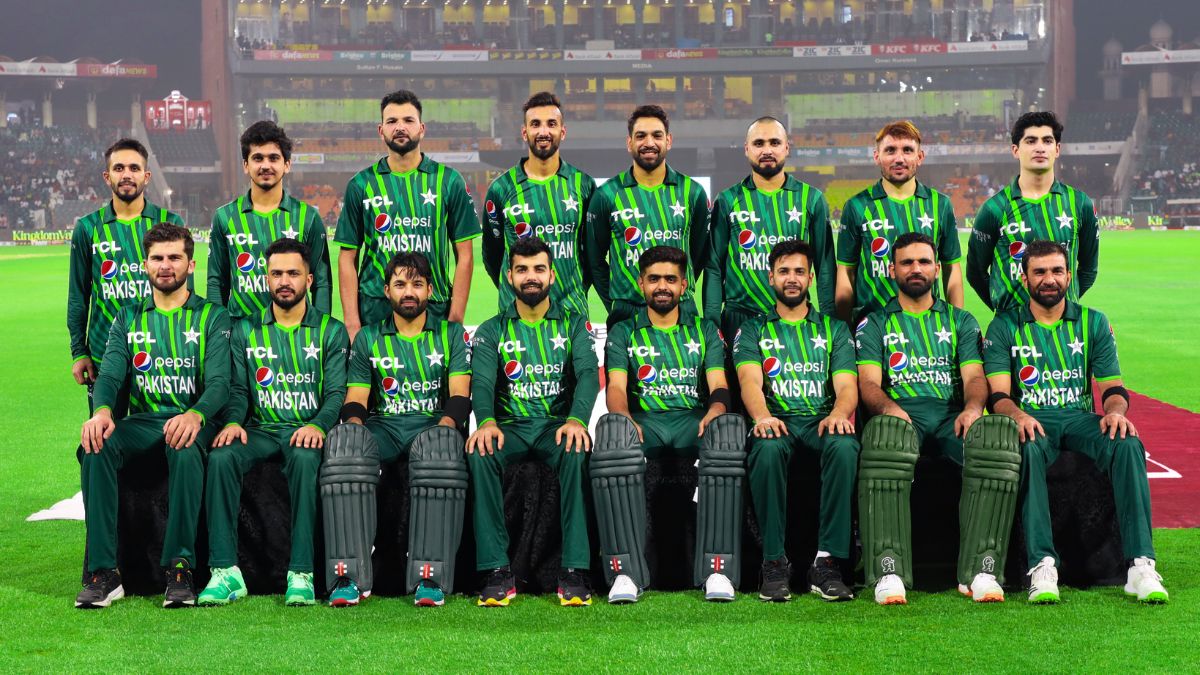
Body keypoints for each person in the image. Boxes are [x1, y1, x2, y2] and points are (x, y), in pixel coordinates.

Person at [983, 240, 1167, 604]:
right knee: (1028, 448)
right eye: (1039, 272)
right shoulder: (1004, 325)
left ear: (1069, 276)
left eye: (1056, 271)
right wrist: (1018, 415)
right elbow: (998, 396)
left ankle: (1140, 565)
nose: (1049, 279)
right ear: (1024, 279)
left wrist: (1115, 413)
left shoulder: (1093, 322)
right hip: (1033, 419)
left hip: (1080, 419)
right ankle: (1041, 566)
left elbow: (1113, 388)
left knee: (1127, 443)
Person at [855, 232, 1020, 606]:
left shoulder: (960, 320)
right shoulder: (874, 323)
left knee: (994, 440)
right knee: (885, 437)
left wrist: (973, 408)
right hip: (902, 414)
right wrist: (888, 409)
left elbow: (975, 378)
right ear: (892, 269)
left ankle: (982, 570)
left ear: (937, 269)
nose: (916, 269)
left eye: (924, 262)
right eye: (907, 262)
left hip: (950, 416)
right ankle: (888, 569)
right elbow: (868, 383)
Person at [75, 224, 231, 609]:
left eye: (174, 257)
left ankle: (180, 568)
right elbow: (111, 374)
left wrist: (195, 415)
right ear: (145, 264)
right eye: (157, 258)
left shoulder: (212, 316)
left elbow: (219, 383)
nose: (165, 265)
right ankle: (103, 573)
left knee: (184, 445)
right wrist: (103, 412)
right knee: (96, 444)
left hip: (194, 420)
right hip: (144, 422)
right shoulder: (127, 317)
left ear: (191, 264)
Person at [198, 238, 349, 607]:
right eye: (277, 273)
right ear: (266, 278)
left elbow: (336, 394)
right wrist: (233, 421)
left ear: (309, 280)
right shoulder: (245, 330)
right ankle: (225, 572)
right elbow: (238, 390)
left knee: (304, 458)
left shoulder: (331, 330)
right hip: (262, 431)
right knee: (221, 456)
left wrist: (318, 425)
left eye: (293, 273)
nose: (284, 281)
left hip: (306, 429)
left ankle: (302, 573)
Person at [320, 251, 472, 607]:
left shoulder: (451, 334)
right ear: (386, 290)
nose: (409, 292)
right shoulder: (368, 337)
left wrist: (443, 430)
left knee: (439, 448)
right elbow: (356, 401)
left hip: (431, 425)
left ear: (430, 290)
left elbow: (459, 398)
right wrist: (354, 432)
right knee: (345, 444)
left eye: (417, 284)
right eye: (400, 284)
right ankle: (348, 576)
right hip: (384, 428)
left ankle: (430, 578)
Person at [593, 246, 743, 604]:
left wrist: (716, 409)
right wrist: (624, 418)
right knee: (613, 434)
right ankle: (625, 573)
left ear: (684, 285)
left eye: (671, 279)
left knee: (728, 432)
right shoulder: (623, 332)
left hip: (692, 420)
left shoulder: (704, 330)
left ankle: (717, 570)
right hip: (647, 422)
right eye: (654, 279)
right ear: (641, 283)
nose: (662, 286)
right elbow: (616, 388)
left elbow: (719, 385)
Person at [467, 236, 599, 606]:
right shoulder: (492, 329)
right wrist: (486, 422)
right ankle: (495, 570)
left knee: (576, 451)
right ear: (509, 276)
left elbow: (588, 375)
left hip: (554, 426)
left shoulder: (575, 324)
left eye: (539, 269)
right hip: (509, 428)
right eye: (522, 269)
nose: (531, 277)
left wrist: (577, 420)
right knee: (480, 454)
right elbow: (482, 381)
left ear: (552, 275)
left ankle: (574, 570)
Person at [734, 239, 859, 603]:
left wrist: (838, 414)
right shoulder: (753, 329)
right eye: (784, 271)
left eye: (800, 272)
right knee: (767, 448)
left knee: (845, 446)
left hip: (820, 420)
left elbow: (846, 385)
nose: (792, 279)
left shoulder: (834, 329)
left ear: (810, 278)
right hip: (778, 420)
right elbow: (749, 381)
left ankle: (827, 563)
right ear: (770, 277)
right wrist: (762, 416)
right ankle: (774, 562)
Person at [335, 89, 479, 339]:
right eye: (392, 121)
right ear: (381, 130)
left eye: (408, 120)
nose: (400, 127)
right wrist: (351, 323)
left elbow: (465, 255)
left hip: (434, 308)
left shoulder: (449, 181)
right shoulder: (361, 184)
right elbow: (347, 257)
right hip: (375, 311)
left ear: (421, 128)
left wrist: (456, 318)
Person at [68, 138, 185, 414]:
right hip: (104, 356)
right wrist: (79, 351)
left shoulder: (170, 223)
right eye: (119, 168)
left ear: (146, 176)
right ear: (107, 176)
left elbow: (183, 295)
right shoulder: (88, 228)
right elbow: (78, 296)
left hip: (161, 355)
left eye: (134, 168)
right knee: (107, 434)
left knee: (159, 436)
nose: (127, 174)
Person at [705, 116, 836, 342]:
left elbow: (825, 267)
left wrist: (829, 323)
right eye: (759, 143)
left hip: (794, 319)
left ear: (787, 148)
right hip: (738, 320)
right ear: (747, 149)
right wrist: (712, 328)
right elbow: (714, 267)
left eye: (775, 143)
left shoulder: (811, 199)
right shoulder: (727, 200)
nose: (767, 150)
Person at [586, 104, 709, 328]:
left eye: (657, 135)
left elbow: (698, 255)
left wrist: (678, 289)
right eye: (641, 136)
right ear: (629, 143)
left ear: (668, 141)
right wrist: (616, 301)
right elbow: (594, 260)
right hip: (627, 313)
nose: (649, 143)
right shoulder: (606, 195)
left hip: (681, 310)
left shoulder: (693, 192)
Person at [967, 111, 1099, 312]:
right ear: (1015, 150)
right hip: (1012, 327)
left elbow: (1088, 270)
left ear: (1057, 149)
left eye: (1047, 141)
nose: (1040, 147)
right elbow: (975, 273)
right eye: (1030, 141)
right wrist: (1004, 311)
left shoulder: (1080, 204)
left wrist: (1056, 306)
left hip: (1064, 327)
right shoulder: (994, 208)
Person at [835, 120, 963, 324]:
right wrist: (844, 330)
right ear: (877, 156)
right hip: (871, 328)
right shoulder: (856, 206)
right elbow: (846, 271)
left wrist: (957, 324)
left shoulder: (941, 204)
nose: (899, 158)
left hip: (929, 327)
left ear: (920, 157)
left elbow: (951, 269)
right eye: (890, 150)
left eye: (907, 150)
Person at [482, 91, 596, 317]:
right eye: (535, 124)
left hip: (571, 313)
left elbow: (593, 254)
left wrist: (577, 289)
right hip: (516, 316)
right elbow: (492, 255)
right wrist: (514, 290)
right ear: (524, 132)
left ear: (562, 131)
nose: (543, 132)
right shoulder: (501, 188)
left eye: (551, 124)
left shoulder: (584, 185)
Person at [207, 121, 332, 321]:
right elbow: (216, 282)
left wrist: (321, 329)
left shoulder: (308, 217)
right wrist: (217, 330)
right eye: (258, 158)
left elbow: (322, 282)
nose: (266, 166)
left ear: (287, 165)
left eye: (273, 158)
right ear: (246, 165)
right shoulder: (225, 217)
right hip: (241, 332)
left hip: (296, 333)